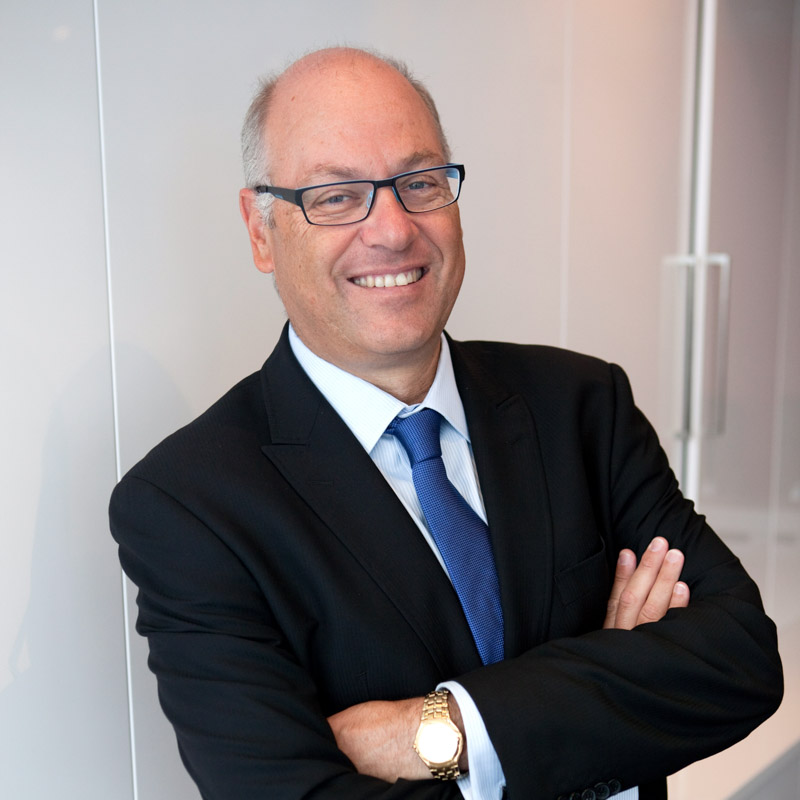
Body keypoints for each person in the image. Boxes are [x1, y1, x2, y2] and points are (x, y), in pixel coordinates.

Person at [109, 47, 782, 800]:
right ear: (260, 230)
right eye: (337, 196)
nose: (393, 230)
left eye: (420, 183)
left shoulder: (584, 405)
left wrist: (443, 729)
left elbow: (742, 659)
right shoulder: (190, 507)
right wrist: (611, 685)